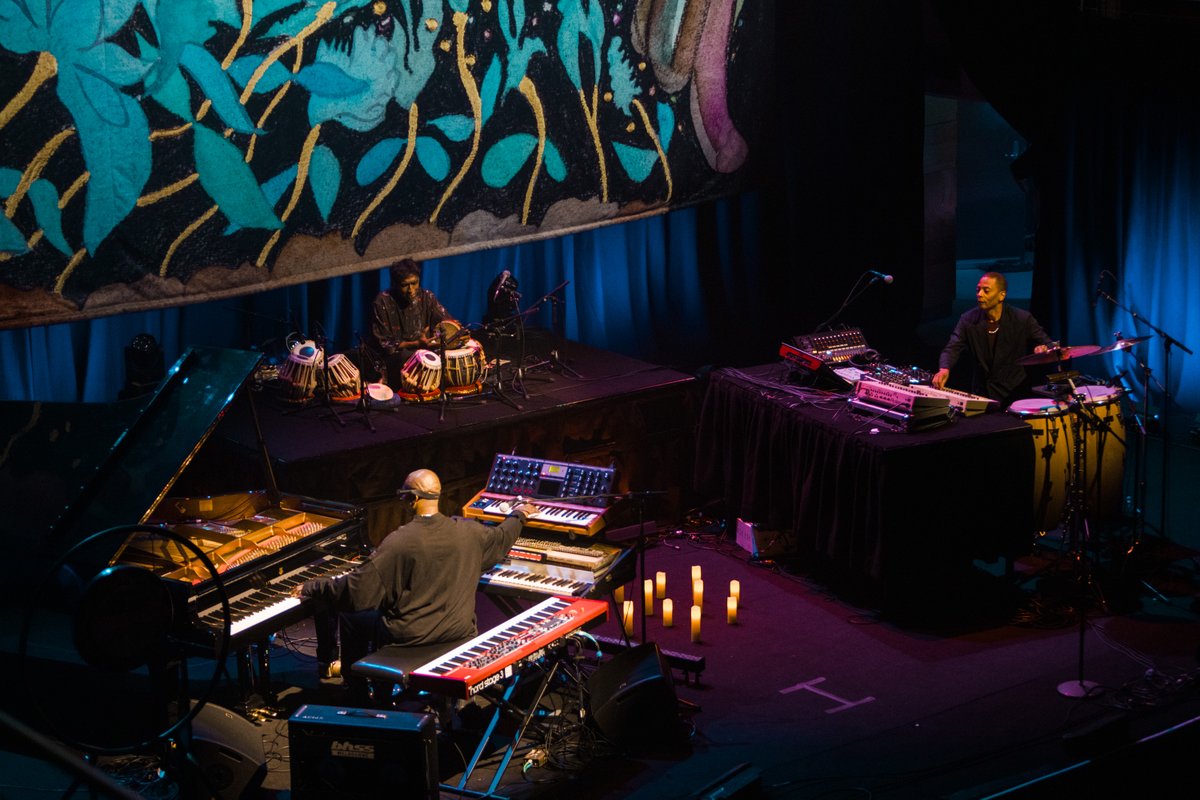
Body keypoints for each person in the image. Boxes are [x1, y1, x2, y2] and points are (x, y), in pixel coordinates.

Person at [295, 468, 536, 699]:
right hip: (459, 632)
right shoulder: (470, 532)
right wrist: (520, 514)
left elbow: (356, 592)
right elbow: (503, 537)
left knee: (351, 615)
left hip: (411, 640)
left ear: (411, 500)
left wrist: (313, 586)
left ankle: (356, 691)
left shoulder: (399, 542)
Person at [932, 271, 1054, 408]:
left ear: (1001, 295)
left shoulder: (1022, 319)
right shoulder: (968, 319)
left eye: (986, 291)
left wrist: (1043, 348)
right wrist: (944, 368)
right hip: (981, 393)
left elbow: (1048, 344)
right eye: (978, 290)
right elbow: (953, 347)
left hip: (1014, 394)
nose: (979, 294)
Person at [370, 258, 457, 389]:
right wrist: (416, 344)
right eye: (405, 285)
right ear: (395, 284)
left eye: (414, 283)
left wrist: (456, 329)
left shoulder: (427, 297)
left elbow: (446, 322)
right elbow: (385, 345)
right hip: (395, 358)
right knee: (406, 357)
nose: (411, 290)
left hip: (423, 351)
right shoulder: (382, 302)